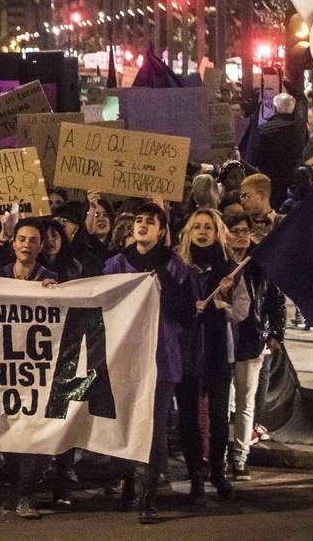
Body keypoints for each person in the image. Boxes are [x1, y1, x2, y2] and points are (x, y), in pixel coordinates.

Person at [103, 202, 199, 525]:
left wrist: (163, 286)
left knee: (155, 430)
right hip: (124, 359)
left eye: (150, 222)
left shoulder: (176, 268)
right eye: (139, 221)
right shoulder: (116, 264)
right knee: (126, 423)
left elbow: (187, 316)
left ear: (162, 231)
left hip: (161, 360)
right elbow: (101, 302)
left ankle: (148, 496)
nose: (142, 226)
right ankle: (128, 480)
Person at [174, 209, 244, 504]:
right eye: (197, 227)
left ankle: (217, 470)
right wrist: (189, 308)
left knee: (217, 417)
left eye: (208, 227)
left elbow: (241, 311)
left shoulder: (229, 269)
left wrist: (222, 300)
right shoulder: (177, 268)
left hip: (217, 352)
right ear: (188, 233)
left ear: (217, 233)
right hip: (186, 350)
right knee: (188, 416)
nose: (202, 232)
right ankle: (195, 475)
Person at [0, 219, 59, 519]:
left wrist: (56, 293)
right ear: (13, 243)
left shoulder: (50, 277)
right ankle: (14, 489)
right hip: (3, 366)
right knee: (8, 429)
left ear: (40, 246)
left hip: (36, 368)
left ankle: (26, 494)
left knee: (33, 430)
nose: (26, 244)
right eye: (21, 238)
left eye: (32, 240)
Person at [224, 212, 284, 481]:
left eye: (244, 230)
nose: (240, 235)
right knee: (224, 402)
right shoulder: (218, 261)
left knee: (246, 401)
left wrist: (275, 333)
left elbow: (275, 297)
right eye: (234, 230)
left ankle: (240, 456)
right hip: (221, 338)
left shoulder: (259, 262)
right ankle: (220, 455)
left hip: (251, 337)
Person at [254, 93, 304, 208]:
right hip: (292, 180)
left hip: (270, 179)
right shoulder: (298, 129)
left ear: (275, 108)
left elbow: (257, 155)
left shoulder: (264, 129)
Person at [238, 174, 278, 244]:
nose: (242, 202)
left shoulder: (285, 224)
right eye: (241, 197)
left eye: (246, 196)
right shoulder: (238, 226)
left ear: (261, 195)